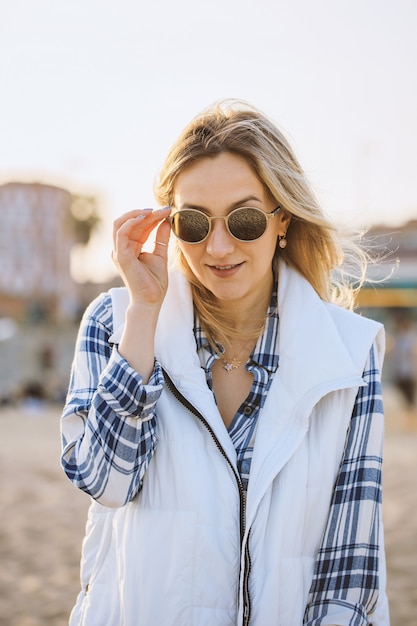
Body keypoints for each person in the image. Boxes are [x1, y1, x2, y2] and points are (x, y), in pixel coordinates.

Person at [61, 100, 389, 625]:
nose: (217, 245)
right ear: (169, 225)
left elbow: (350, 571)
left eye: (245, 219)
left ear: (282, 220)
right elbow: (106, 482)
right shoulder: (116, 322)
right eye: (194, 222)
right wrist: (144, 317)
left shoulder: (349, 352)